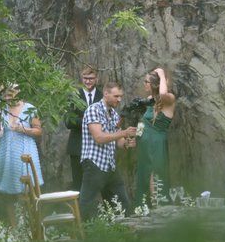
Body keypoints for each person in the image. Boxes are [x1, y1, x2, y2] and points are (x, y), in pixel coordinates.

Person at [79, 82, 137, 222]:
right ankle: (86, 236)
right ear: (106, 94)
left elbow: (119, 142)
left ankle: (126, 235)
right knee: (87, 204)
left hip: (109, 165)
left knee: (122, 203)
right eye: (116, 96)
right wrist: (123, 132)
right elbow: (99, 137)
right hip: (94, 164)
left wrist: (128, 142)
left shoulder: (114, 115)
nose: (119, 99)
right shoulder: (94, 110)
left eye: (120, 96)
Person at [0, 84, 43, 224]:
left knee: (26, 191)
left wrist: (24, 129)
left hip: (25, 150)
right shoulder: (1, 109)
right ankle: (15, 229)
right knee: (8, 193)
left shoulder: (29, 108)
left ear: (18, 91)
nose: (7, 96)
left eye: (10, 93)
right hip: (6, 150)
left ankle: (31, 225)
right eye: (4, 94)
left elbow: (39, 131)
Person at [134, 67, 176, 207]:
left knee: (155, 173)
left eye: (147, 81)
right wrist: (136, 137)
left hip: (157, 142)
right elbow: (143, 121)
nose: (144, 84)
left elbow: (162, 93)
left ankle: (157, 206)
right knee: (145, 173)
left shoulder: (169, 98)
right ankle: (145, 208)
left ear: (154, 84)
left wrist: (162, 74)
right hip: (145, 143)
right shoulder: (149, 100)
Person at [66, 65, 101, 190]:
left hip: (98, 147)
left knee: (97, 182)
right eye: (85, 78)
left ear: (96, 79)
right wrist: (90, 122)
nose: (87, 81)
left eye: (91, 78)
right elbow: (68, 122)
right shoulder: (74, 95)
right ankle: (79, 210)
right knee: (78, 183)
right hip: (77, 146)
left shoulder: (102, 96)